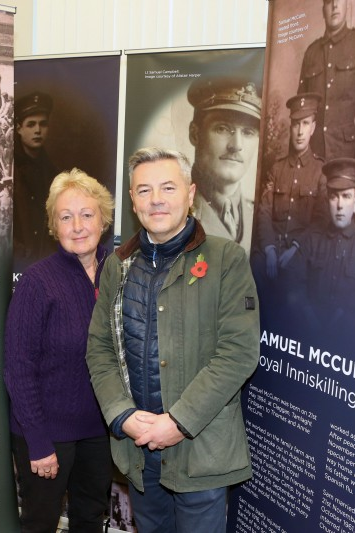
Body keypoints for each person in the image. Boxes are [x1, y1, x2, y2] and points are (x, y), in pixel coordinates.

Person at [86, 148, 260, 532]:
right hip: (139, 450)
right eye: (144, 190)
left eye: (168, 187)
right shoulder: (117, 266)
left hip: (200, 452)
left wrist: (179, 422)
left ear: (190, 192)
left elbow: (238, 353)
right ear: (133, 200)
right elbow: (99, 349)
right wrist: (122, 415)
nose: (156, 199)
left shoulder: (225, 260)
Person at [5, 168, 114, 533]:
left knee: (90, 517)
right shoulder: (37, 282)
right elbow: (18, 369)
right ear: (54, 225)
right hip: (48, 433)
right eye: (66, 217)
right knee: (40, 522)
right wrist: (38, 441)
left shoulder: (117, 275)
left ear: (103, 219)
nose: (78, 225)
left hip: (100, 431)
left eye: (87, 214)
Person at [285, 158, 355, 345]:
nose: (340, 205)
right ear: (328, 200)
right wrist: (308, 317)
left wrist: (345, 314)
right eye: (334, 196)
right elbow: (291, 283)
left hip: (349, 341)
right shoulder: (312, 240)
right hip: (307, 336)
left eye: (346, 196)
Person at [255, 93, 328, 280]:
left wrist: (296, 248)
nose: (300, 132)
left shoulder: (321, 171)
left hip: (300, 252)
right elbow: (264, 212)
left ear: (313, 128)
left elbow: (320, 221)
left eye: (305, 124)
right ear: (291, 127)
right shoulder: (277, 168)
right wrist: (270, 249)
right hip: (271, 248)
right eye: (296, 124)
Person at [187, 77, 260, 250]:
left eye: (248, 132)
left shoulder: (261, 218)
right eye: (223, 128)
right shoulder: (169, 211)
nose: (236, 145)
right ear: (195, 134)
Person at [298, 0, 355, 163]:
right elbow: (300, 114)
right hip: (313, 157)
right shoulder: (312, 52)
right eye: (328, 2)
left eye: (339, 0)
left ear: (347, 4)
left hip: (346, 157)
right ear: (322, 9)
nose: (334, 6)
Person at [13, 92, 58, 270]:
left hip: (43, 260)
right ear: (18, 128)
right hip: (15, 262)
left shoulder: (52, 172)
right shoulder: (7, 168)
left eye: (43, 124)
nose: (37, 130)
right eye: (30, 124)